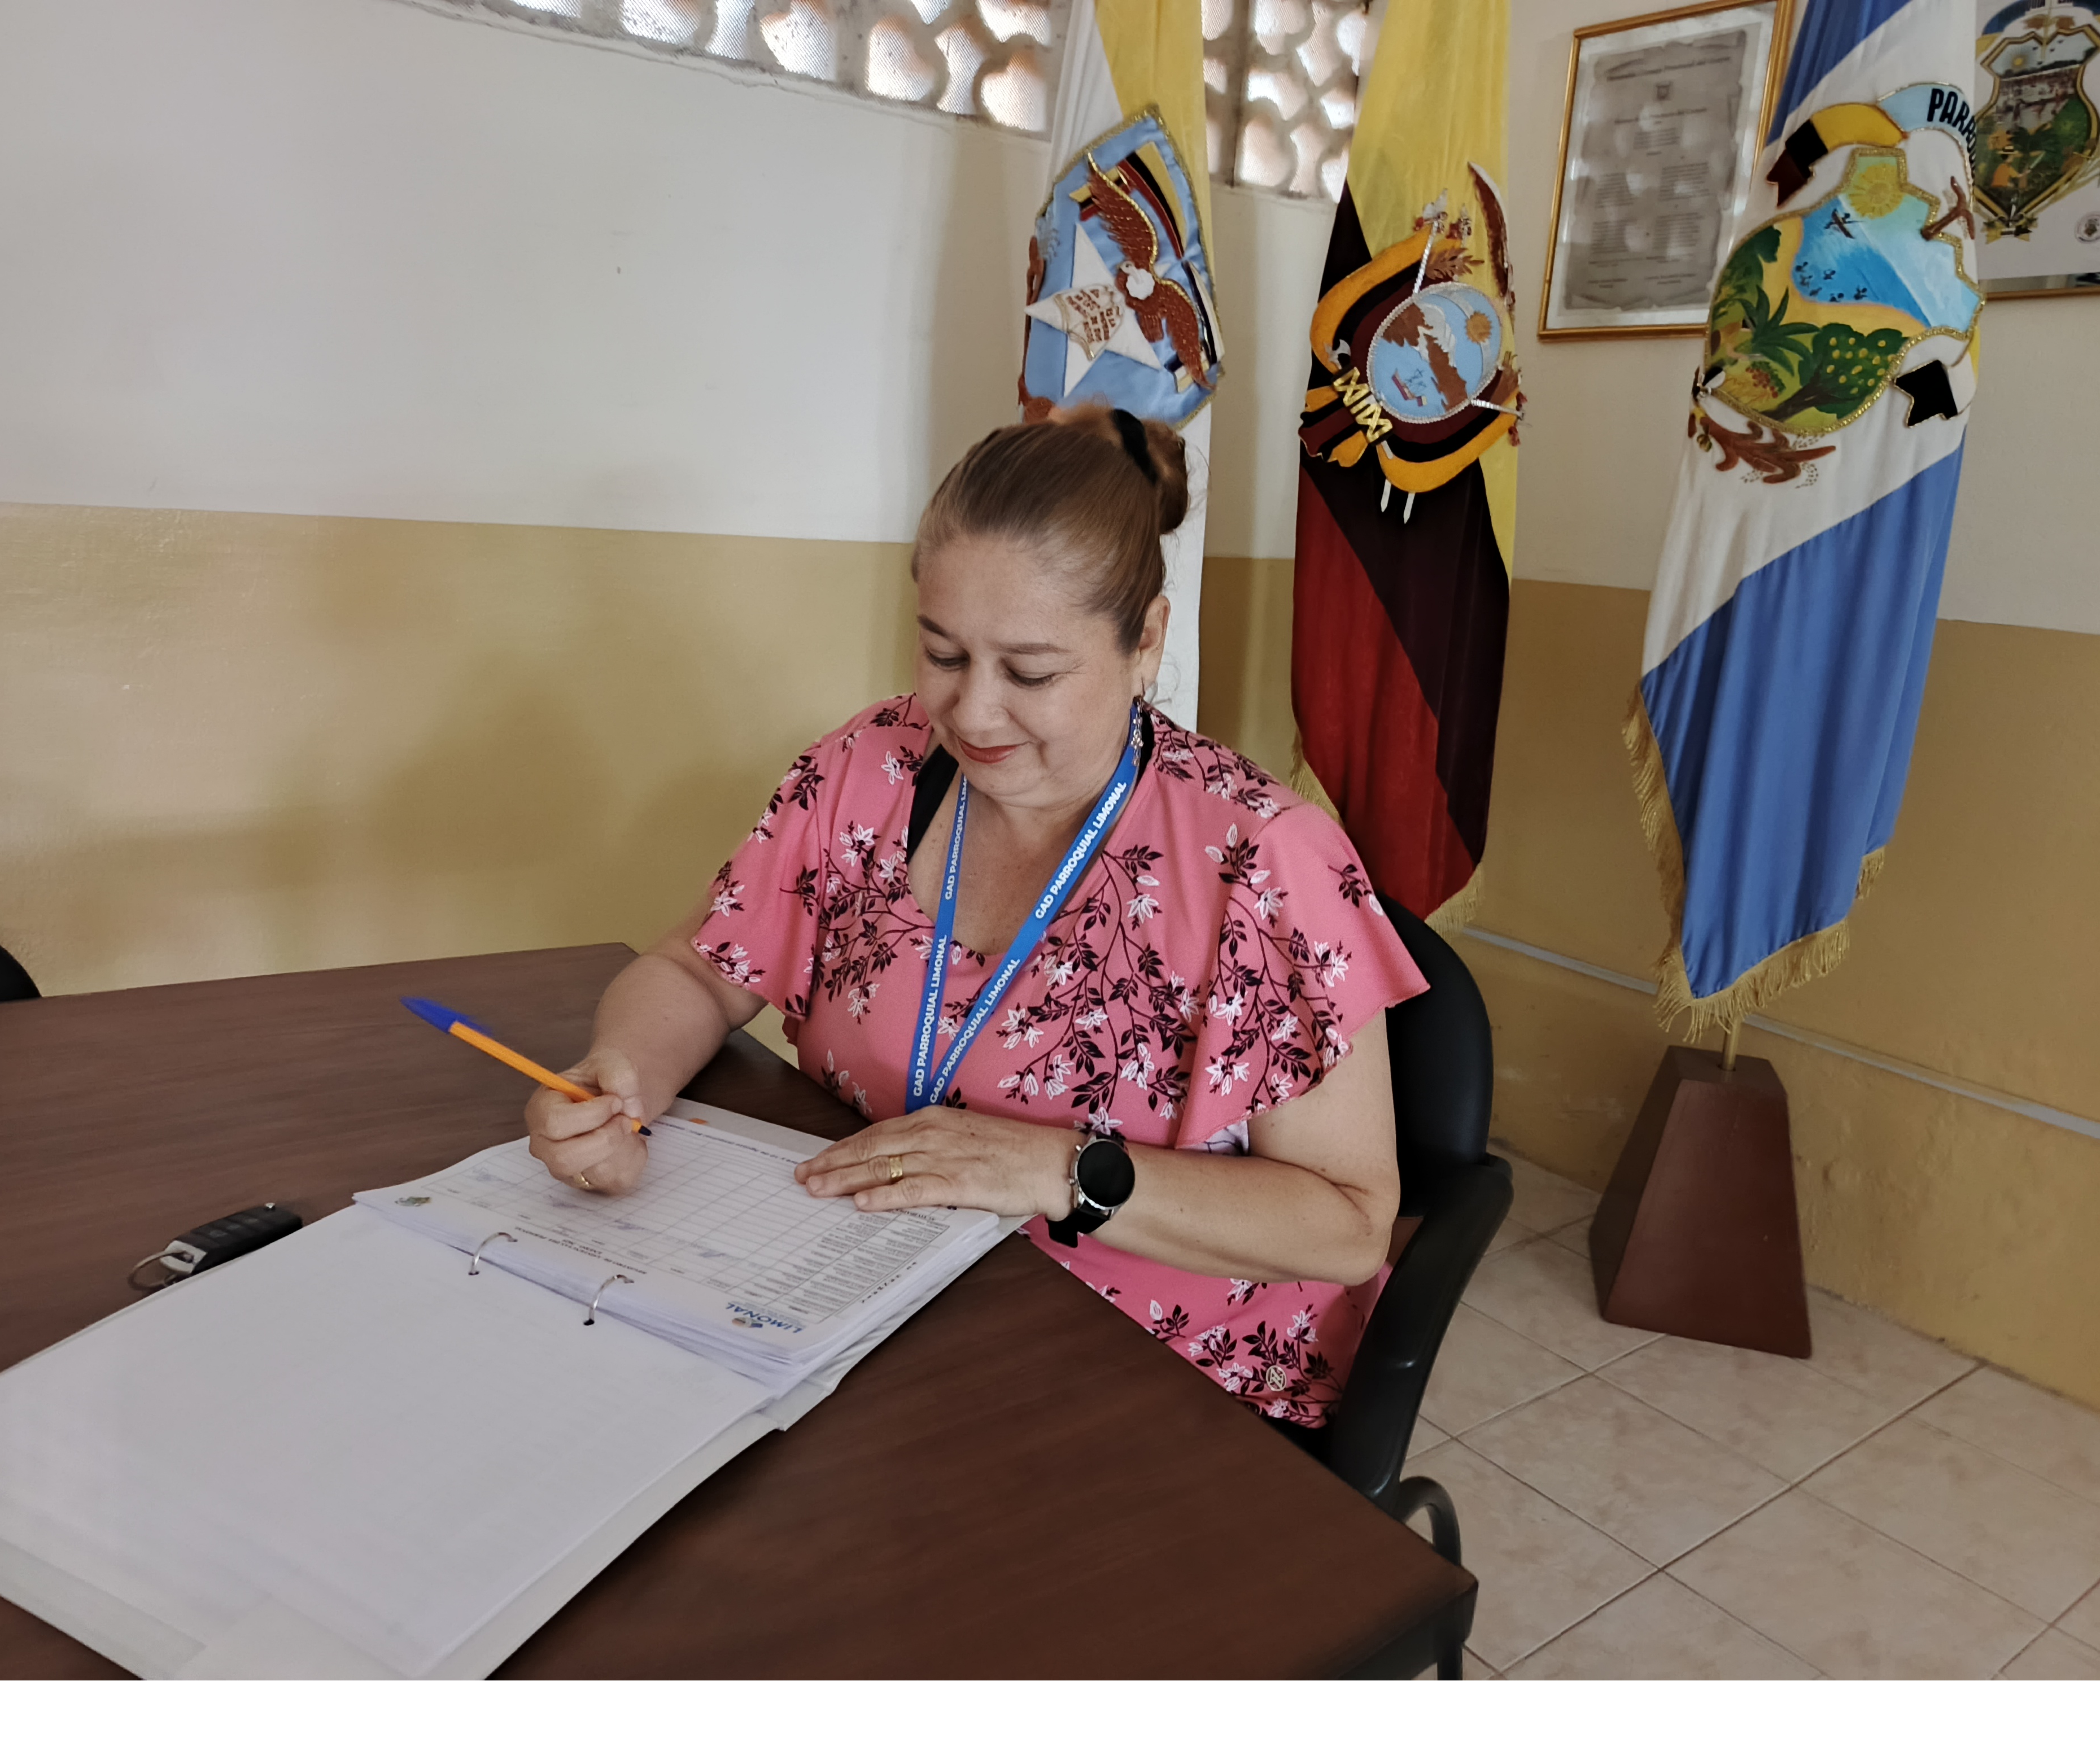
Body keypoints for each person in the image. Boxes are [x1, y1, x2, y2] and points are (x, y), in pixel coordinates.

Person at [526, 405, 1427, 1428]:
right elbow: (697, 968)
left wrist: (1053, 1168)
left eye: (1031, 672)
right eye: (943, 654)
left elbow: (1349, 1223)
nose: (973, 713)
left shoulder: (1263, 861)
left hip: (1157, 1369)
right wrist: (619, 1083)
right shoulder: (869, 767)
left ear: (1146, 641)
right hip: (872, 1300)